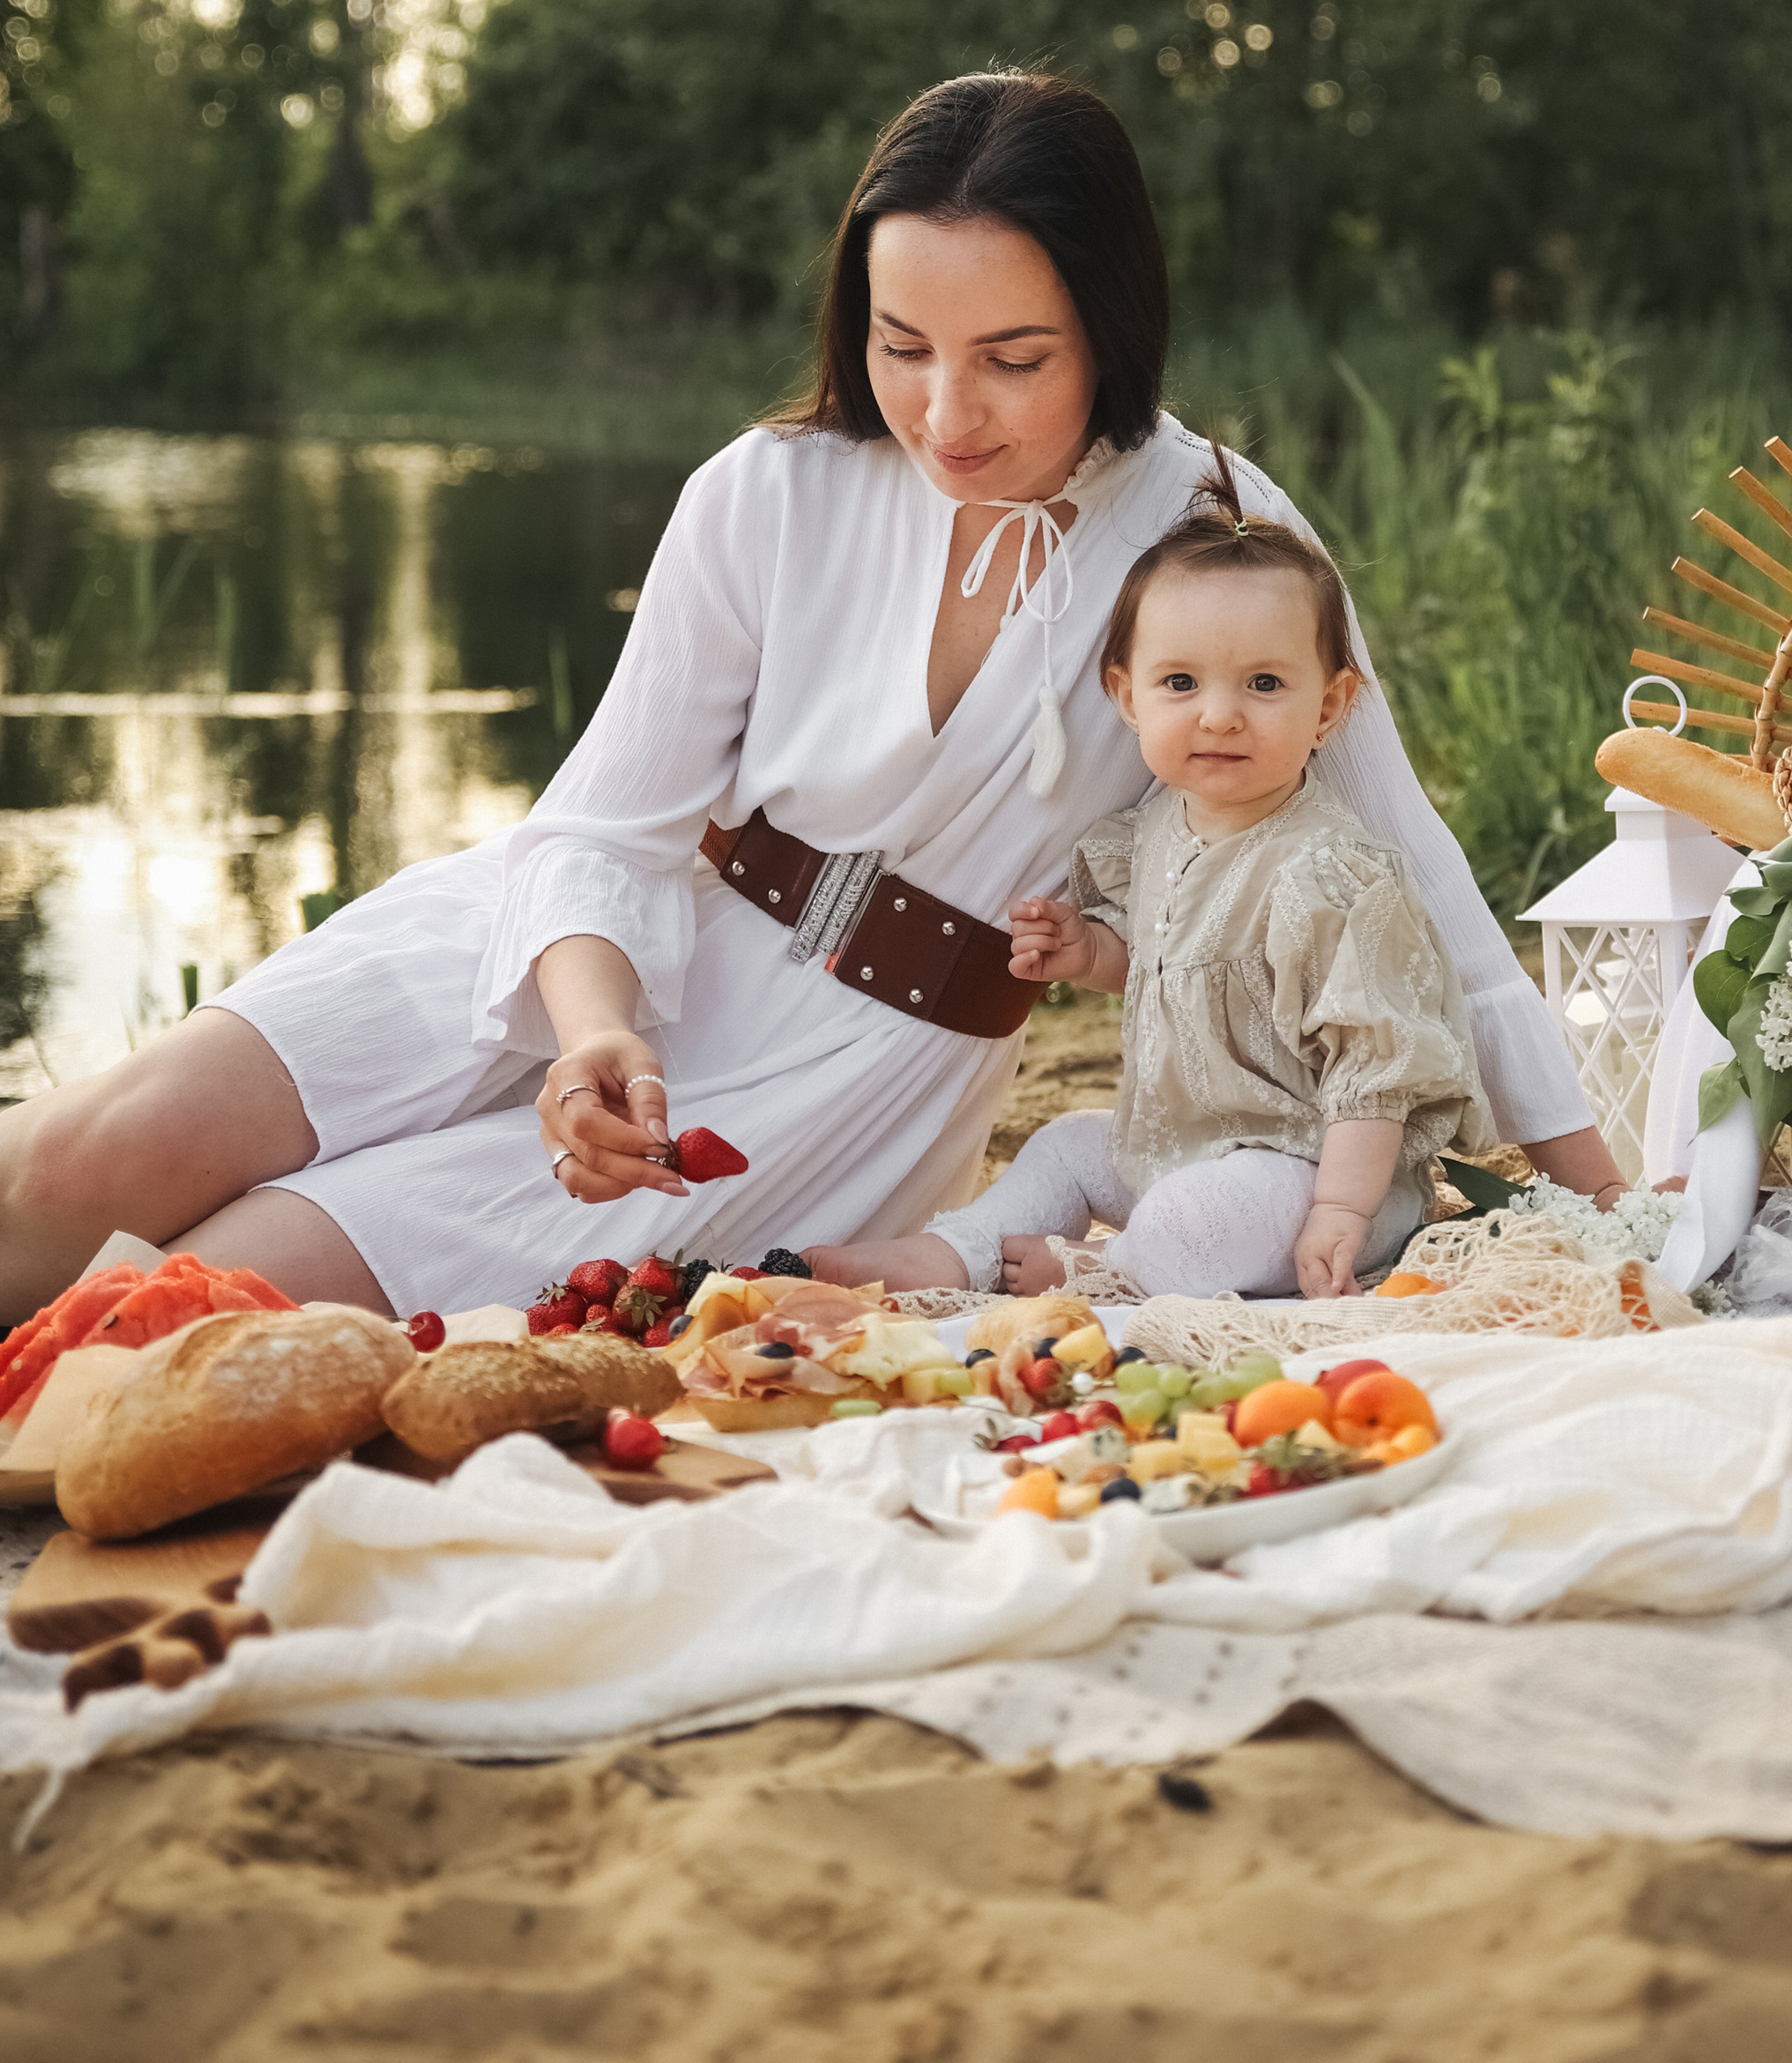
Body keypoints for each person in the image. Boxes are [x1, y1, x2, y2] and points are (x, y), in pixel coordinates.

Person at [0, 74, 1622, 1322]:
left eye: (1013, 357)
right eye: (902, 341)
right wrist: (593, 1037)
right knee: (93, 1154)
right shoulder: (769, 490)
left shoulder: (1212, 533)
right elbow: (607, 830)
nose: (946, 412)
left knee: (195, 1304)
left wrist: (1609, 1208)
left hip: (834, 1071)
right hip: (571, 964)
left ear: (1110, 329)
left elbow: (1416, 885)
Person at [814, 449, 1501, 1305]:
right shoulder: (1151, 836)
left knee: (1190, 1222)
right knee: (1066, 1146)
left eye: (1263, 683)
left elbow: (1374, 1073)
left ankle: (1107, 1274)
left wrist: (1338, 1211)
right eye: (1180, 682)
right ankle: (957, 1254)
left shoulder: (1329, 876)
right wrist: (1089, 951)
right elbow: (1158, 962)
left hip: (1309, 1171)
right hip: (1180, 1150)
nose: (1218, 713)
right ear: (1128, 696)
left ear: (1327, 706)